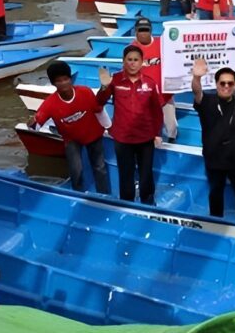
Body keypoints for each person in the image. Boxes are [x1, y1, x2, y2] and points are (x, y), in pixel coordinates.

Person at [96, 45, 165, 205]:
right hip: (123, 138)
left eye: (136, 60)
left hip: (145, 137)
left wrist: (157, 133)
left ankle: (148, 202)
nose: (132, 63)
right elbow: (99, 102)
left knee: (146, 173)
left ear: (142, 62)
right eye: (129, 60)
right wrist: (104, 87)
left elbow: (157, 111)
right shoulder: (115, 80)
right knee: (125, 173)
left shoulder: (150, 83)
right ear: (123, 61)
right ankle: (126, 204)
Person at [29, 61, 110, 194]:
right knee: (76, 170)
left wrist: (109, 127)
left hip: (94, 135)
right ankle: (77, 195)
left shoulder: (85, 92)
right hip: (72, 140)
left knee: (100, 168)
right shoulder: (49, 104)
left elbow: (99, 109)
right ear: (53, 84)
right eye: (58, 81)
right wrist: (32, 122)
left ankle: (104, 195)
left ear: (71, 79)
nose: (64, 83)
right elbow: (36, 125)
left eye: (66, 79)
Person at [191, 59, 235, 221]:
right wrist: (197, 78)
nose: (226, 86)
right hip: (214, 160)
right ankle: (215, 222)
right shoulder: (207, 102)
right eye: (222, 83)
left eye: (230, 83)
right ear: (216, 84)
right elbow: (197, 93)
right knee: (215, 193)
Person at [129, 18, 178, 141]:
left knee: (171, 127)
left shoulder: (162, 44)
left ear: (151, 30)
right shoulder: (131, 50)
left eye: (146, 30)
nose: (144, 33)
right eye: (141, 30)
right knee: (150, 131)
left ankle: (172, 141)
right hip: (145, 98)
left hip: (166, 95)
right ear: (136, 31)